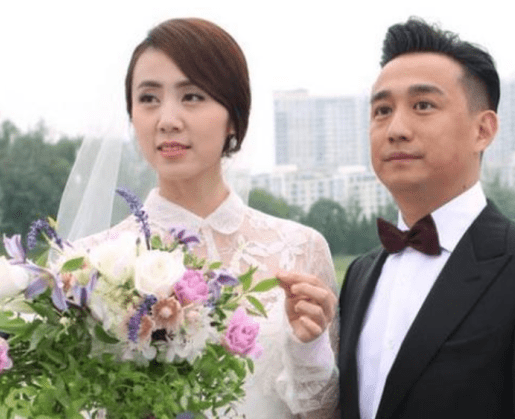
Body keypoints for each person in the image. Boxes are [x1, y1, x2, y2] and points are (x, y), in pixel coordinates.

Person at [67, 18, 339, 418]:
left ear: (233, 116)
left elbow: (326, 413)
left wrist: (309, 352)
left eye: (192, 96)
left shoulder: (301, 250)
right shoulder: (87, 265)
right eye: (148, 98)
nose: (167, 120)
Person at [338, 17, 515, 419]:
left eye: (423, 105)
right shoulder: (359, 274)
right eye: (382, 110)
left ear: (483, 130)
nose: (396, 129)